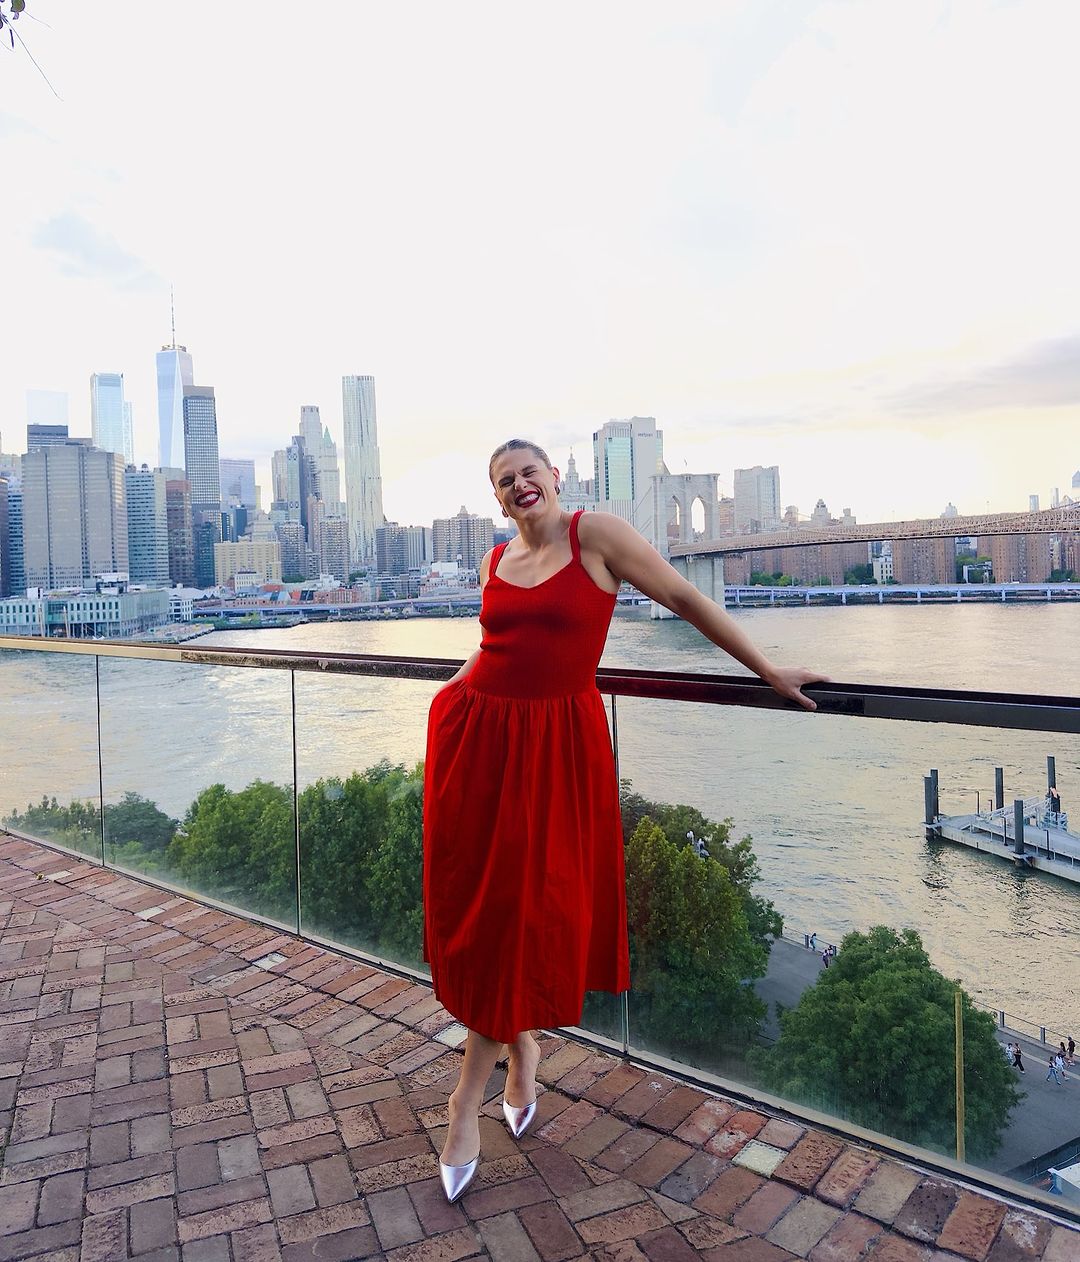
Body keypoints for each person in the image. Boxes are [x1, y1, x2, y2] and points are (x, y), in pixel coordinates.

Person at [423, 439, 829, 1203]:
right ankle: (522, 1055)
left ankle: (462, 1105)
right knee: (491, 918)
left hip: (557, 755)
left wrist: (768, 671)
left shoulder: (597, 535)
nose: (520, 485)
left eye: (529, 472)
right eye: (505, 481)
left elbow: (682, 597)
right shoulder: (493, 561)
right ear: (499, 498)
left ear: (555, 477)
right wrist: (445, 705)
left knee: (528, 916)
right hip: (480, 748)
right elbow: (490, 653)